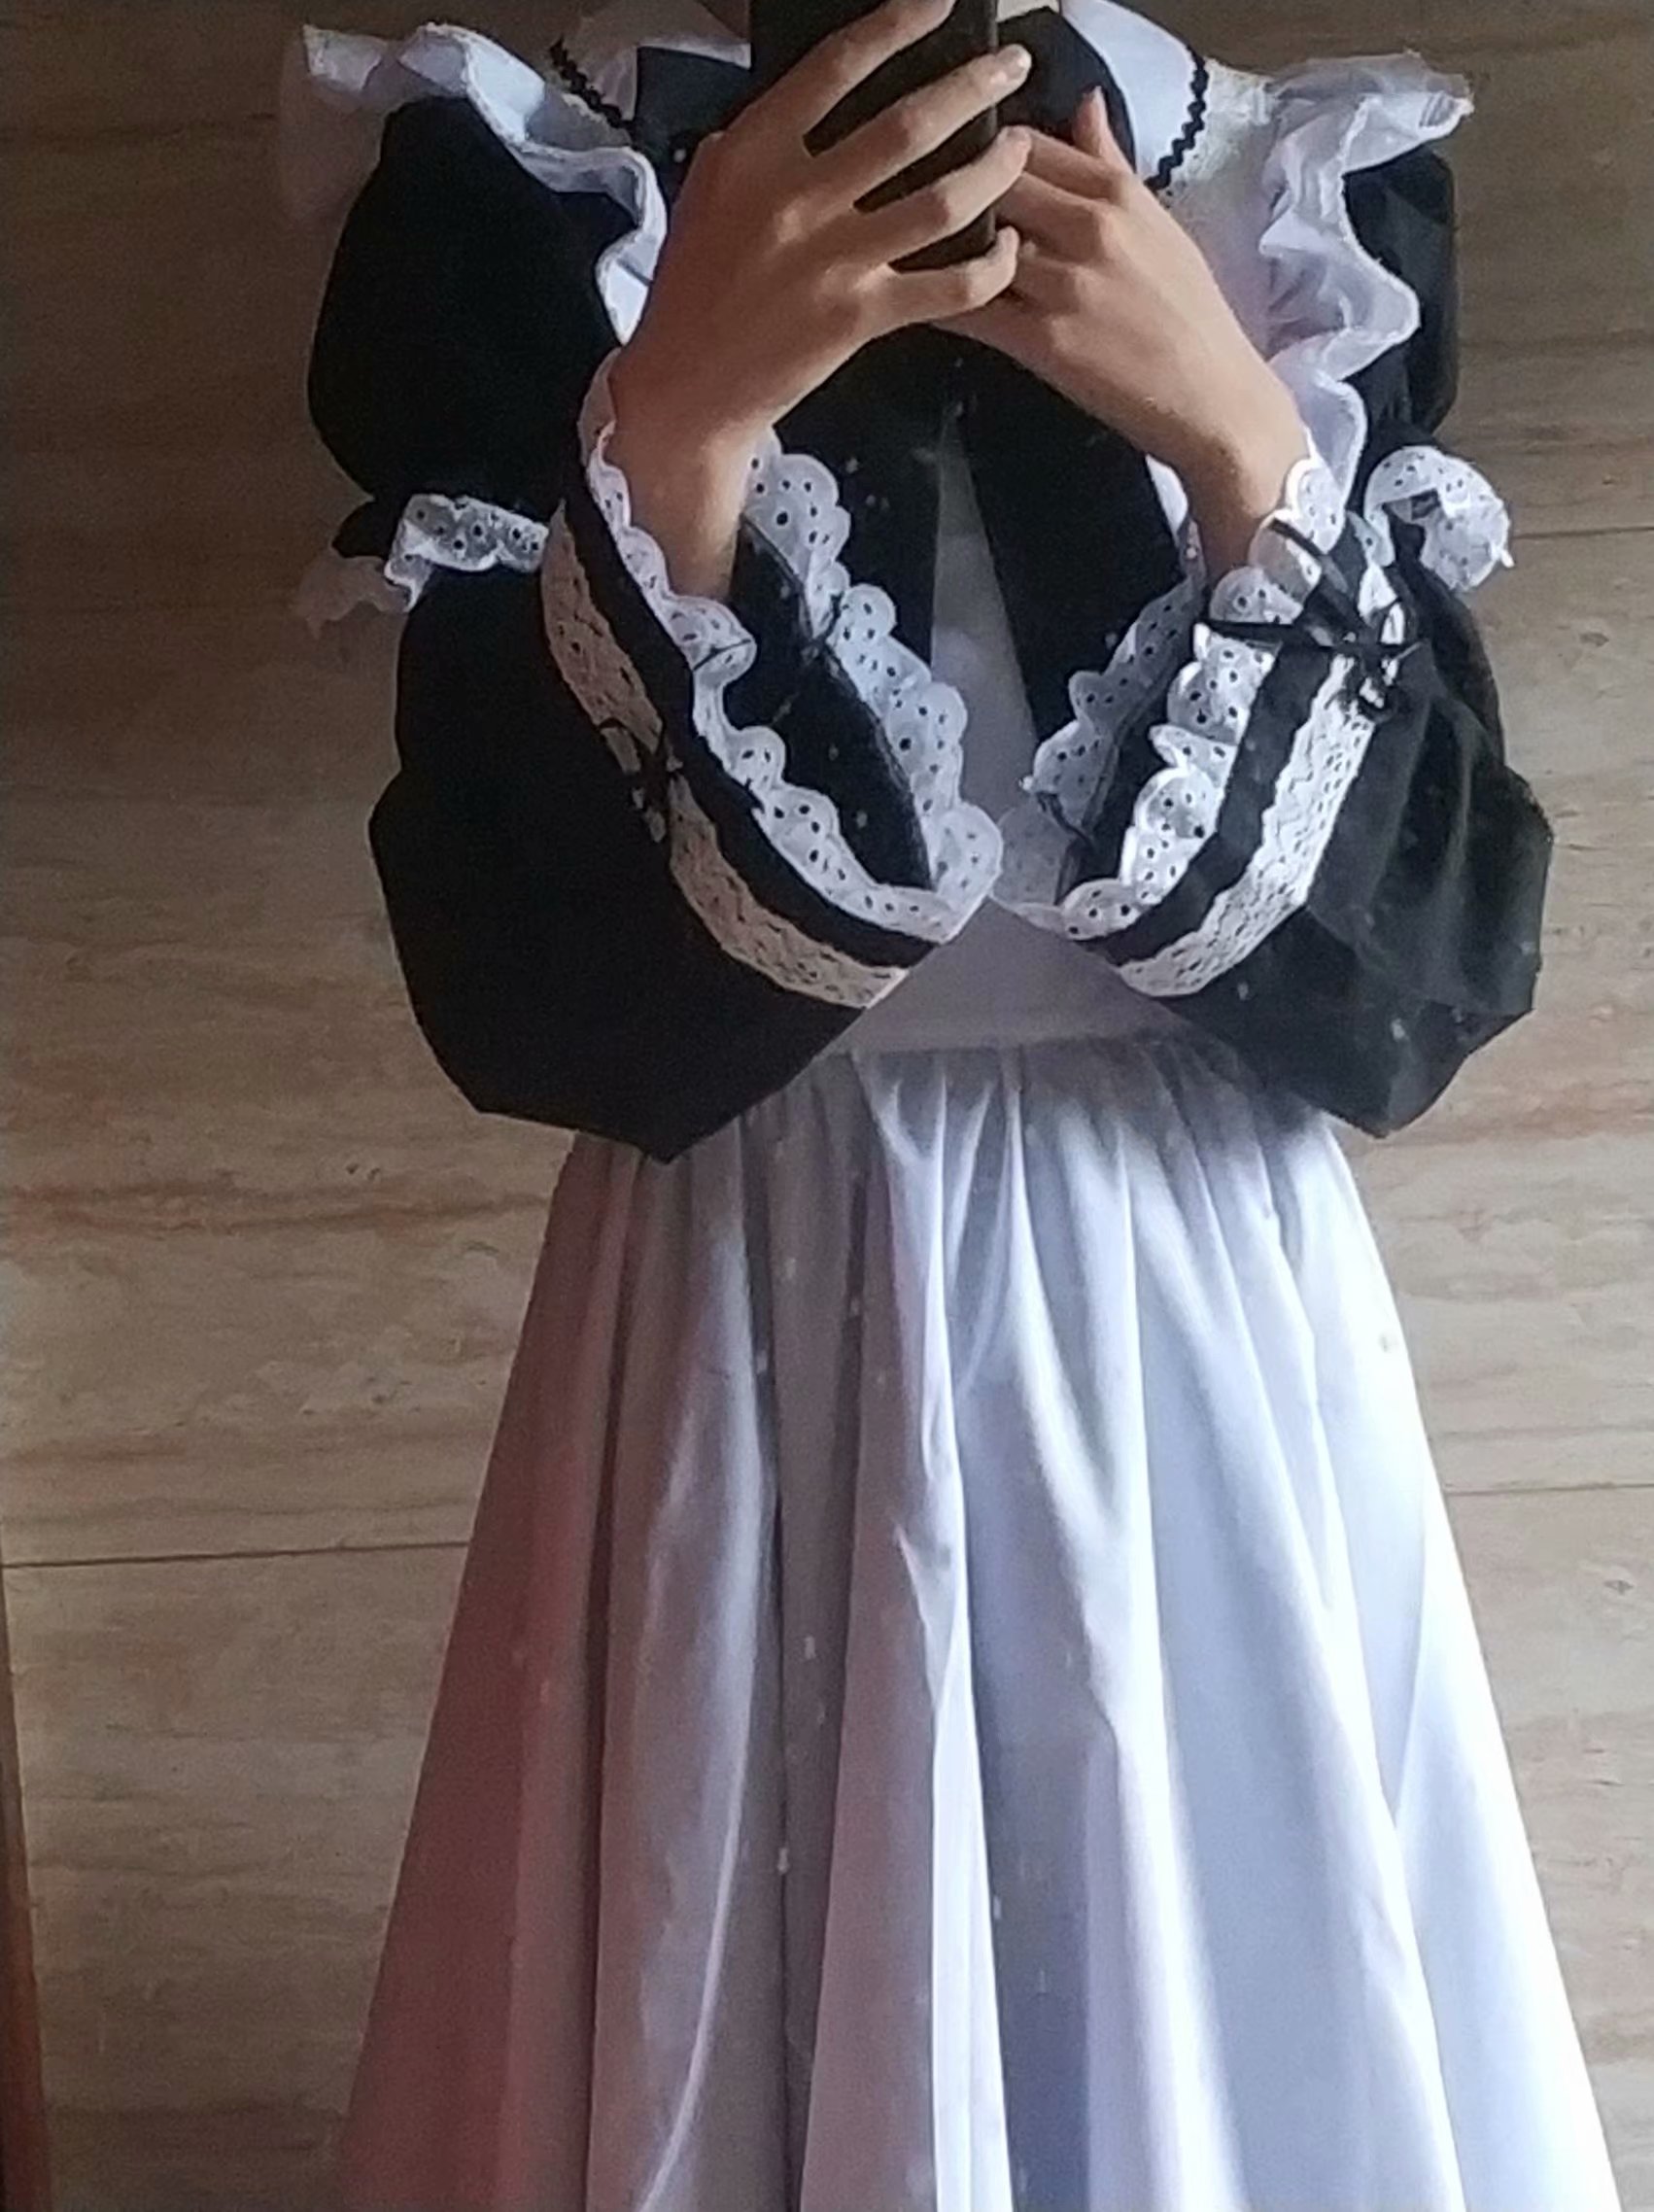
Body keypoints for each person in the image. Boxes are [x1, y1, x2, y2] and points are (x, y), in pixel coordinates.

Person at [285, 0, 1623, 2204]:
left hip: (1193, 1325)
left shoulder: (1293, 204)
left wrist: (1236, 436)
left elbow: (1430, 971)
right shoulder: (533, 199)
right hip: (736, 1290)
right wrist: (676, 420)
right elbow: (536, 1008)